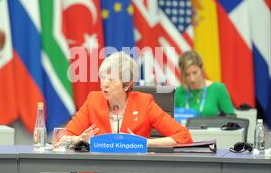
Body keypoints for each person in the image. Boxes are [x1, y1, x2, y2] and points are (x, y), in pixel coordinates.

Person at [63, 51, 192, 148]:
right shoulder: (93, 100)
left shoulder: (144, 103)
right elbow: (61, 138)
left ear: (126, 84)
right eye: (103, 77)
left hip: (136, 172)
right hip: (98, 171)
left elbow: (184, 137)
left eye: (112, 79)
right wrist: (79, 139)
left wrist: (144, 143)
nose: (104, 84)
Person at [175, 50, 235, 117]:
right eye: (187, 75)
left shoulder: (218, 88)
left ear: (201, 69)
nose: (192, 79)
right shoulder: (178, 92)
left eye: (195, 73)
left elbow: (232, 121)